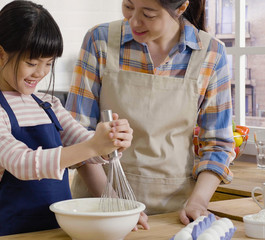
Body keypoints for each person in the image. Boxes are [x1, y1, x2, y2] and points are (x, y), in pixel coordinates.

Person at [0, 1, 133, 237]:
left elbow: (83, 144)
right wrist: (93, 145)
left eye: (49, 63)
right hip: (14, 233)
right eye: (32, 63)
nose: (41, 73)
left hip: (61, 231)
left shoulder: (48, 103)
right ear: (0, 54)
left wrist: (110, 142)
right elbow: (21, 163)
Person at [65, 0, 235, 228]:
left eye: (148, 14)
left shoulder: (211, 53)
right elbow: (76, 133)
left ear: (181, 8)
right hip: (100, 207)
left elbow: (218, 145)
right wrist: (116, 207)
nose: (134, 21)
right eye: (128, 6)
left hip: (173, 212)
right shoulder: (100, 40)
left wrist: (198, 202)